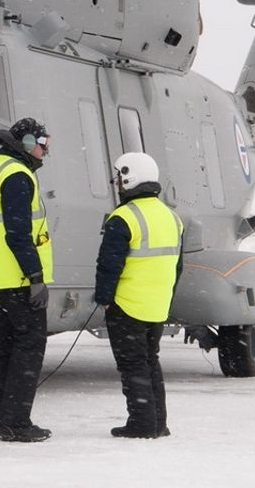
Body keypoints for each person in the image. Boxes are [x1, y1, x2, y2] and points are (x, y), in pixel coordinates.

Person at [94, 152, 184, 439]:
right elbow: (178, 266)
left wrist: (103, 297)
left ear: (130, 177)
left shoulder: (123, 218)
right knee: (150, 362)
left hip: (127, 305)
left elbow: (109, 264)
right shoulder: (172, 218)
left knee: (132, 366)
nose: (117, 183)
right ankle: (158, 422)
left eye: (120, 176)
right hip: (156, 306)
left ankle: (142, 423)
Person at [0, 117, 54, 443]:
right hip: (21, 281)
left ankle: (0, 420)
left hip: (1, 278)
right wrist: (36, 277)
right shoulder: (18, 176)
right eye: (42, 143)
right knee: (28, 347)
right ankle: (16, 422)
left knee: (2, 348)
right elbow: (18, 234)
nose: (45, 151)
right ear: (25, 144)